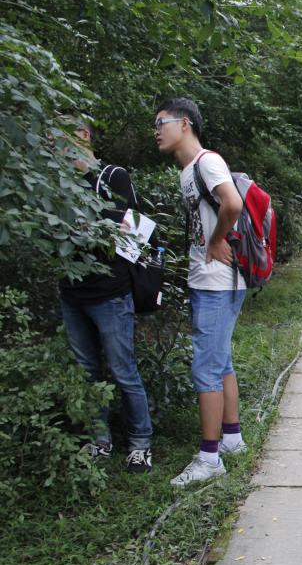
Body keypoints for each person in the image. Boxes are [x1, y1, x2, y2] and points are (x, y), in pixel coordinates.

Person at [154, 98, 248, 487]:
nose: (156, 131)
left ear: (185, 124)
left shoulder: (207, 162)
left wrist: (216, 240)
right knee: (220, 362)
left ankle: (210, 458)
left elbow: (233, 203)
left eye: (161, 123)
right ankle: (232, 439)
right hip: (210, 280)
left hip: (216, 282)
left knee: (206, 368)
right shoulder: (188, 171)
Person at [58, 116, 154, 473]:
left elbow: (136, 230)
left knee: (122, 370)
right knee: (87, 371)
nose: (53, 147)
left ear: (83, 136)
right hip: (71, 293)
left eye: (59, 138)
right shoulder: (56, 184)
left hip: (110, 294)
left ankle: (140, 444)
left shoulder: (112, 177)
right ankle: (100, 441)